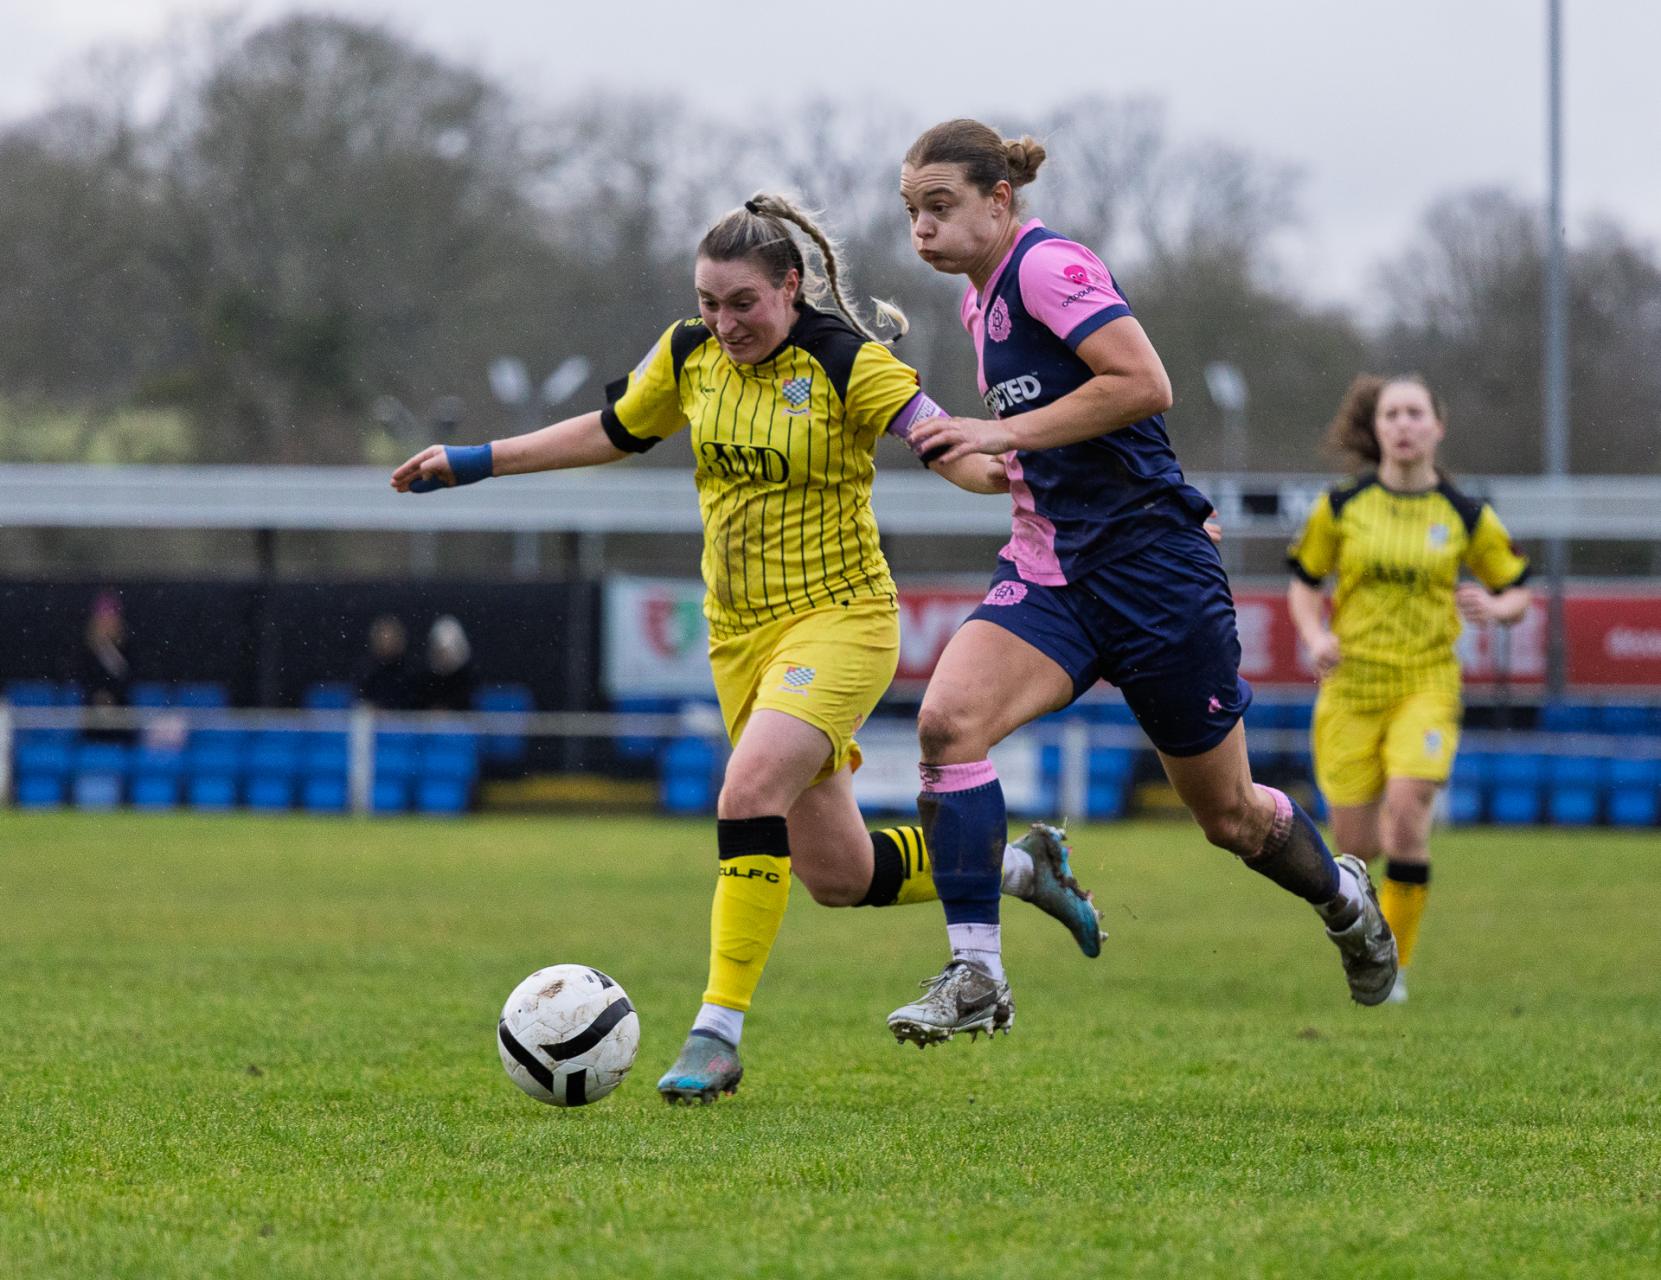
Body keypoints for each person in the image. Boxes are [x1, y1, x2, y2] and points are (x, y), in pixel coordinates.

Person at [392, 192, 1102, 1102]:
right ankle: (1017, 866)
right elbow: (611, 432)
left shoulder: (848, 361)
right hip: (739, 639)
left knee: (748, 788)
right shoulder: (687, 353)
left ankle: (714, 1035)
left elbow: (942, 442)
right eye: (707, 303)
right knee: (837, 875)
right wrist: (476, 459)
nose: (722, 323)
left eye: (742, 303)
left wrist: (994, 462)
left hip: (841, 621)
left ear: (790, 287)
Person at [886, 118, 1397, 1046]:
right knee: (946, 725)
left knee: (1231, 819)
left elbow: (1142, 382)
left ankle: (1342, 896)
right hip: (1052, 573)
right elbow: (1009, 463)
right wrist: (936, 432)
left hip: (1154, 573)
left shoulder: (1047, 266)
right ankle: (977, 976)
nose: (920, 228)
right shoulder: (976, 305)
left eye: (940, 207)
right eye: (910, 212)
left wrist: (1001, 431)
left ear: (999, 200)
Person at [1288, 375, 1531, 1004]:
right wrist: (1315, 635)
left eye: (1414, 413)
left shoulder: (1464, 513)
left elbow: (1517, 587)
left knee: (1408, 816)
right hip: (1350, 689)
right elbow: (1304, 580)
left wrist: (1499, 608)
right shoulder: (1341, 507)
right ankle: (1366, 942)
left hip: (1425, 683)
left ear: (1436, 427)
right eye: (1391, 414)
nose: (1402, 424)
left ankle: (1392, 968)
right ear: (1378, 429)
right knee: (1359, 847)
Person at [355, 614, 416, 710]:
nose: (387, 643)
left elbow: (413, 705)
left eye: (391, 638)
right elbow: (361, 701)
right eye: (383, 638)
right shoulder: (367, 670)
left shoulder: (409, 671)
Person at [420, 615, 479, 712]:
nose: (443, 656)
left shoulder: (467, 682)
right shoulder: (426, 682)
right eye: (439, 651)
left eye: (447, 651)